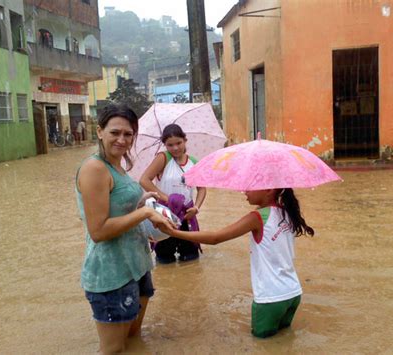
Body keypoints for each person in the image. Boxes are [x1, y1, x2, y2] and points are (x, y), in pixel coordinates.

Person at [75, 103, 174, 354]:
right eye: (114, 132)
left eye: (128, 134)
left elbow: (118, 209)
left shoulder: (118, 166)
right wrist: (145, 212)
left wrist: (143, 202)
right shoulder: (94, 168)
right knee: (114, 349)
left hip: (136, 265)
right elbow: (98, 231)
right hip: (110, 275)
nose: (122, 139)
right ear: (99, 132)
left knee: (133, 339)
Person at [164, 188, 314, 338]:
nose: (244, 191)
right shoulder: (286, 211)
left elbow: (216, 238)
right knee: (282, 341)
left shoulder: (257, 217)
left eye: (250, 187)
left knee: (262, 345)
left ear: (268, 190)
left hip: (270, 298)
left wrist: (173, 233)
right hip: (293, 293)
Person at [140, 123, 207, 263]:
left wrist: (196, 208)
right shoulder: (163, 158)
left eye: (179, 143)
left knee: (191, 258)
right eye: (170, 145)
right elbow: (144, 180)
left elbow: (202, 188)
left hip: (187, 213)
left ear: (185, 140)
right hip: (164, 213)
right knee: (165, 258)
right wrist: (166, 198)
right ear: (165, 145)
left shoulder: (193, 162)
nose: (175, 148)